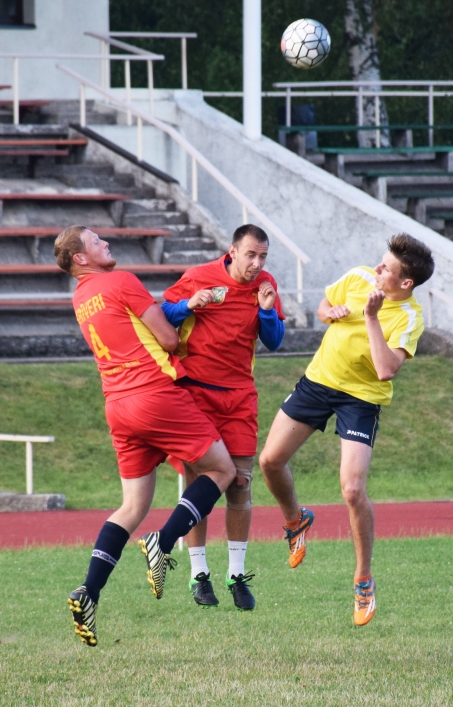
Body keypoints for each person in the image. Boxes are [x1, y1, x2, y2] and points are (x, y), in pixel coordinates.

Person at [55, 225, 238, 648]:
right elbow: (168, 339)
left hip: (118, 406)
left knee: (132, 505)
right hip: (154, 394)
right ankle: (163, 540)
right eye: (97, 242)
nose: (106, 243)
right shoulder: (121, 281)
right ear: (80, 258)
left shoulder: (80, 297)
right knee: (223, 469)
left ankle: (89, 591)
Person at [258, 233, 434, 627]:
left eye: (386, 268)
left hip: (362, 398)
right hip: (319, 381)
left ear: (405, 283)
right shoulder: (358, 277)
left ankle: (363, 579)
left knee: (352, 490)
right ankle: (295, 519)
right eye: (381, 261)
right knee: (269, 461)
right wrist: (329, 312)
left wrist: (371, 316)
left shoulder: (410, 317)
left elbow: (386, 369)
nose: (377, 269)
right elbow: (323, 305)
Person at [161, 224, 285, 610]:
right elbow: (160, 313)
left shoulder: (265, 285)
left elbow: (276, 340)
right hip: (196, 393)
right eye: (251, 254)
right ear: (232, 250)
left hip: (239, 397)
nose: (257, 263)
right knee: (200, 483)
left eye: (263, 256)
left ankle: (236, 575)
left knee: (241, 484)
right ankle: (199, 575)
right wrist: (188, 305)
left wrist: (266, 312)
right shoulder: (199, 277)